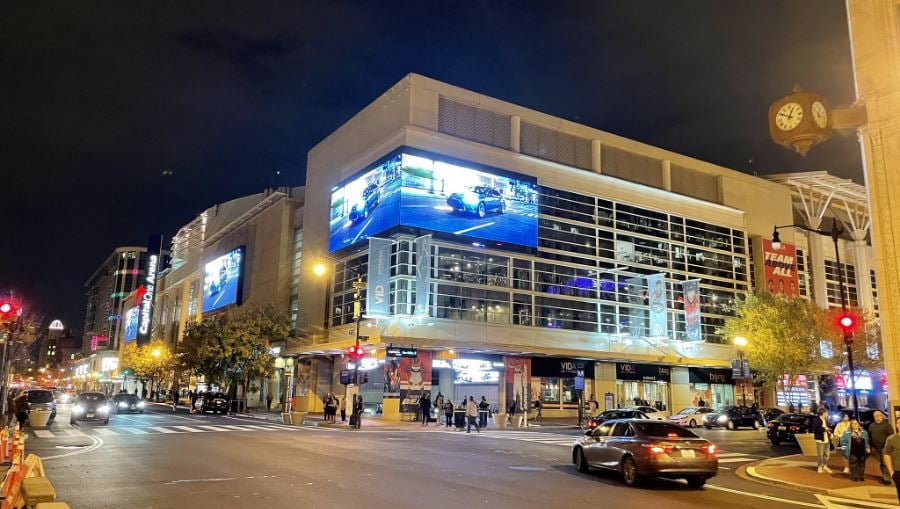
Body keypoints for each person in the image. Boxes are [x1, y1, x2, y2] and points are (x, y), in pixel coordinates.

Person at [869, 410, 895, 485]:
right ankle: (884, 477)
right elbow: (870, 436)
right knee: (880, 463)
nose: (877, 417)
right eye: (875, 416)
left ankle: (888, 479)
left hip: (885, 448)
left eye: (878, 415)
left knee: (885, 463)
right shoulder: (871, 425)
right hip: (875, 448)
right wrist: (871, 446)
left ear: (881, 416)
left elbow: (891, 436)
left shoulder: (887, 425)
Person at [883, 418, 900, 501]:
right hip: (898, 471)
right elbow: (886, 455)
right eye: (899, 423)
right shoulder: (891, 439)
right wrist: (891, 472)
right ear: (896, 425)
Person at [811, 407, 833, 474]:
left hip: (827, 439)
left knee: (827, 454)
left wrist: (830, 432)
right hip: (820, 440)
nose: (827, 414)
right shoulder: (817, 420)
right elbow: (815, 429)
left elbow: (827, 428)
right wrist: (824, 429)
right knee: (820, 455)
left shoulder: (826, 420)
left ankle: (825, 466)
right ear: (823, 413)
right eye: (826, 412)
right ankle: (820, 466)